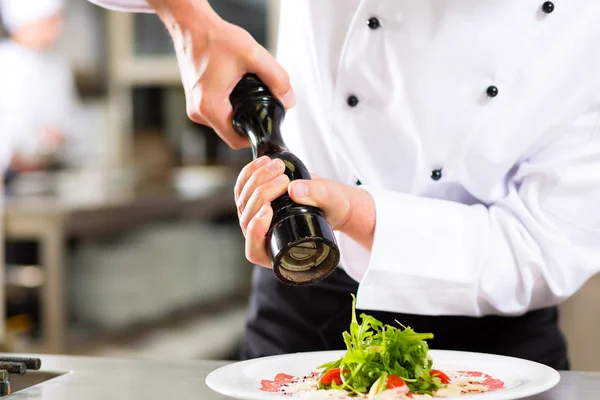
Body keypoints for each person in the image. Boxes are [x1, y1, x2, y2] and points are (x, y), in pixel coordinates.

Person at [89, 0, 600, 369]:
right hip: (308, 295)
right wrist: (188, 20)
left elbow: (549, 241)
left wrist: (359, 214)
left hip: (499, 335)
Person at [0, 0, 80, 177]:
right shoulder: (3, 63)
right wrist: (9, 156)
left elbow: (70, 121)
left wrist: (59, 137)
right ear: (27, 21)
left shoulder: (59, 67)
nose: (58, 29)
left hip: (49, 172)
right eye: (51, 21)